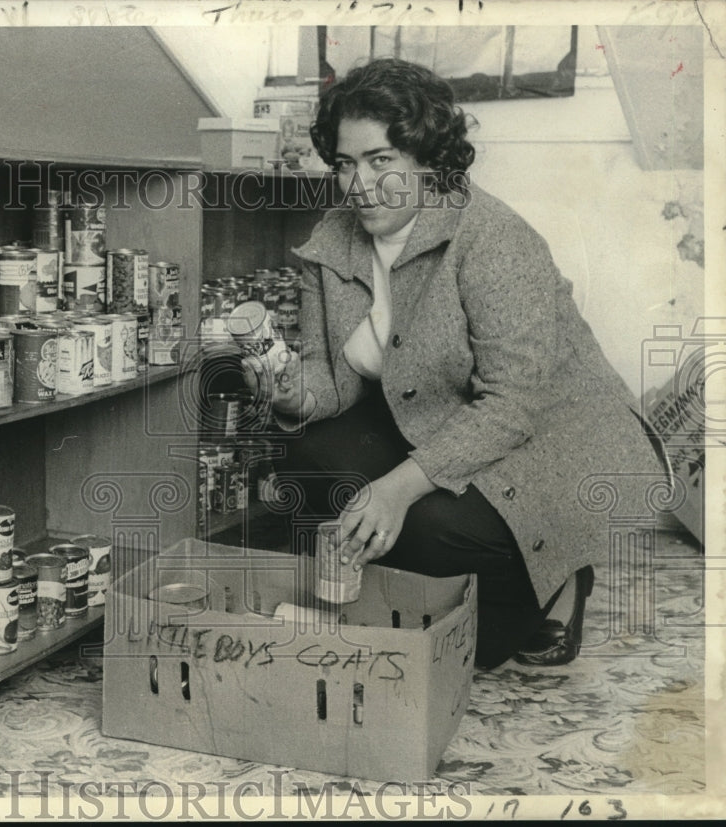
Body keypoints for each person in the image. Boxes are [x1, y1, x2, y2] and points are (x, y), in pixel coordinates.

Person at [243, 58, 667, 670]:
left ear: (428, 159)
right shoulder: (331, 240)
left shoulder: (494, 237)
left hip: (557, 437)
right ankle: (410, 589)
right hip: (444, 418)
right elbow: (331, 376)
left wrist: (395, 490)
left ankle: (559, 583)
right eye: (345, 164)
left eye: (381, 160)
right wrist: (292, 395)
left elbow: (513, 404)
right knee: (308, 454)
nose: (360, 185)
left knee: (436, 537)